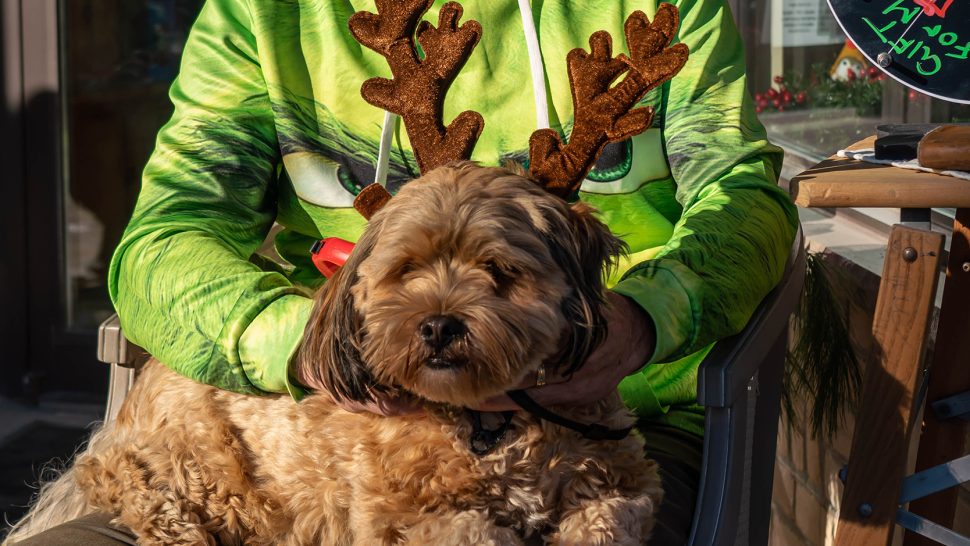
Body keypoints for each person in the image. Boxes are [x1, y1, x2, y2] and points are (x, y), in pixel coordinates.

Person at [13, 0, 798, 544]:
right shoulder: (264, 18)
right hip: (328, 435)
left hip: (628, 423)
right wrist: (319, 349)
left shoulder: (659, 9)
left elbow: (747, 201)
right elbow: (164, 243)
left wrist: (644, 321)